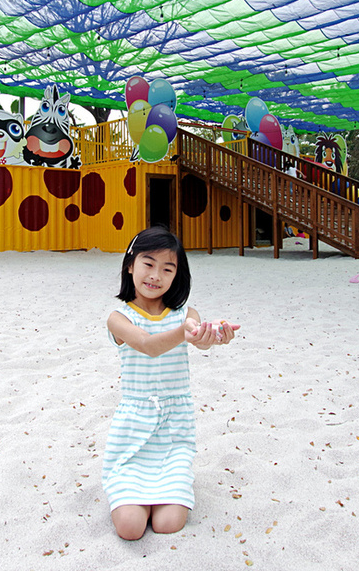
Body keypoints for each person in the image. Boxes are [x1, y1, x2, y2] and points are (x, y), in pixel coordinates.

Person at [103, 226, 240, 541]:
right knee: (129, 527)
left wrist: (215, 335)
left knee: (169, 523)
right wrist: (186, 332)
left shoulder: (185, 313)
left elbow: (201, 341)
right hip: (132, 436)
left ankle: (168, 484)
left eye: (168, 269)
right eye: (148, 264)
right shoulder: (118, 317)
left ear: (177, 275)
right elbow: (149, 346)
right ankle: (134, 487)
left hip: (173, 430)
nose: (156, 275)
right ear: (130, 265)